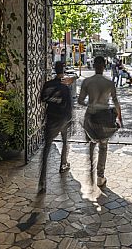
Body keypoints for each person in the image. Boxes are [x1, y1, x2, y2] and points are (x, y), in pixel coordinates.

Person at [78, 56, 122, 188]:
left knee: (92, 142)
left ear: (93, 65)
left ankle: (90, 168)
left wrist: (90, 104)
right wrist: (119, 117)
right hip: (104, 117)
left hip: (90, 116)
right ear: (104, 66)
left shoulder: (87, 82)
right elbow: (115, 101)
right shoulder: (109, 83)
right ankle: (100, 176)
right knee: (103, 146)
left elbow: (80, 101)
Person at [38, 61, 74, 193]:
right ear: (63, 71)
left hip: (51, 118)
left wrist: (51, 99)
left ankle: (42, 180)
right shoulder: (65, 87)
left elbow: (42, 98)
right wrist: (70, 120)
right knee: (65, 141)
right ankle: (63, 163)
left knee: (46, 148)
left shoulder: (48, 85)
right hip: (62, 120)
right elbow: (69, 106)